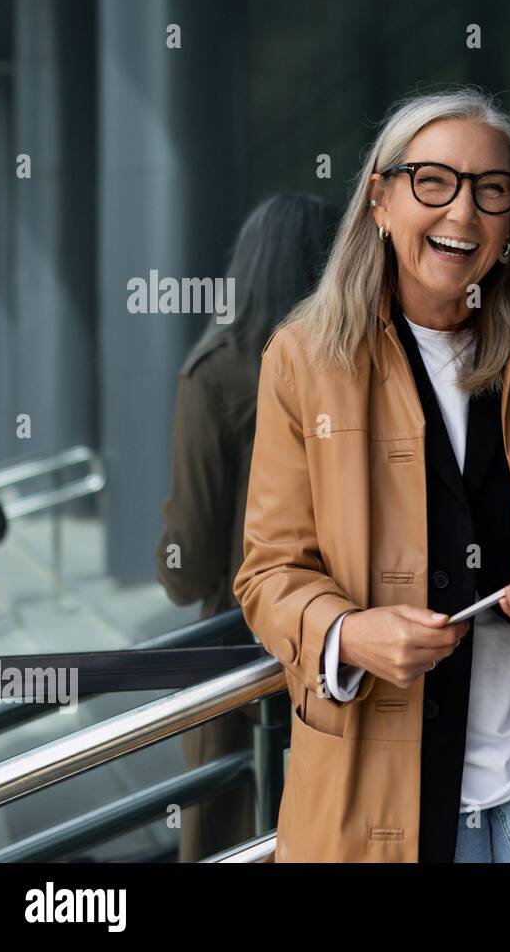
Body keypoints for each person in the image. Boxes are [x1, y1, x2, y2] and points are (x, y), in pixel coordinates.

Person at [233, 86, 510, 862]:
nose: (462, 215)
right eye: (433, 182)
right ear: (380, 199)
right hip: (381, 768)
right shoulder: (303, 361)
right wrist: (347, 634)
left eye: (491, 190)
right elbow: (269, 572)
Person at [156, 193, 340, 861]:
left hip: (243, 643)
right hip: (348, 642)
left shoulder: (219, 371)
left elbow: (192, 563)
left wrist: (168, 562)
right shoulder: (361, 360)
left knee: (234, 828)